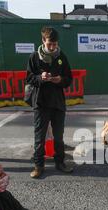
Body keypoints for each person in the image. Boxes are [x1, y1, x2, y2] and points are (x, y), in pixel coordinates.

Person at [26, 26, 73, 179]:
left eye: (55, 44)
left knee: (59, 136)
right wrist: (41, 77)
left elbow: (69, 79)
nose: (53, 47)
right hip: (41, 102)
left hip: (58, 102)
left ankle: (60, 162)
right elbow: (29, 78)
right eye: (49, 44)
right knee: (39, 137)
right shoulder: (34, 57)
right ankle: (39, 166)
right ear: (43, 41)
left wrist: (60, 80)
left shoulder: (62, 57)